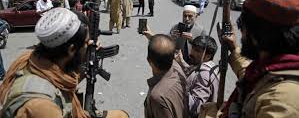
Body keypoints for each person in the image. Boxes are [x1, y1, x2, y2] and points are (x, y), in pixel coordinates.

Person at [0, 8, 129, 118]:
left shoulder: (33, 59)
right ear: (71, 49)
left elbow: (63, 77)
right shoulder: (42, 108)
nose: (89, 45)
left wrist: (86, 56)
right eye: (86, 43)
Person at [217, 0, 299, 118]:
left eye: (243, 29)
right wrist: (234, 49)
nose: (242, 36)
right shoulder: (272, 70)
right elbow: (252, 74)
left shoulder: (279, 101)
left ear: (256, 35)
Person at [145, 34, 189, 118]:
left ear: (149, 60)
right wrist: (151, 37)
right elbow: (166, 50)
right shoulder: (177, 69)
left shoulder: (157, 97)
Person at [175, 36, 219, 118]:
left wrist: (179, 87)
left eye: (197, 51)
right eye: (193, 48)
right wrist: (181, 62)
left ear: (208, 56)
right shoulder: (209, 67)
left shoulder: (204, 74)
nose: (191, 53)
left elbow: (195, 107)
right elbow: (194, 73)